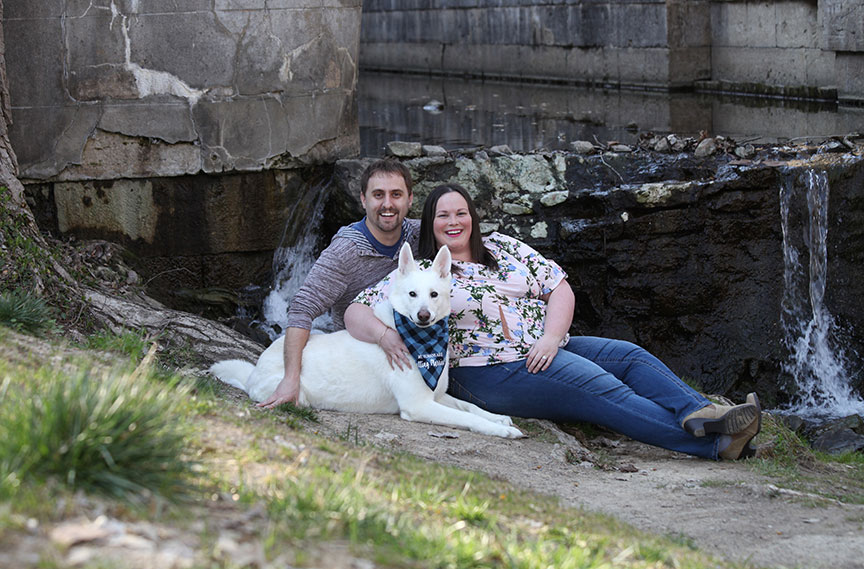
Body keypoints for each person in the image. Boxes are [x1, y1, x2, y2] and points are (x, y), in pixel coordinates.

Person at [344, 183, 762, 460]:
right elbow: (355, 311)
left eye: (461, 213)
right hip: (488, 371)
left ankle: (702, 413)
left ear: (473, 216)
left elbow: (559, 287)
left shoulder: (504, 247)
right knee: (601, 388)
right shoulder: (421, 275)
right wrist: (385, 336)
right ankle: (718, 445)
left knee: (628, 356)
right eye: (442, 216)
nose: (453, 222)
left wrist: (551, 336)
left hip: (544, 347)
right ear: (430, 226)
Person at [258, 159, 420, 408]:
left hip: (415, 352)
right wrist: (291, 379)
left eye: (396, 194)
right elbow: (302, 308)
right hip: (359, 359)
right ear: (363, 200)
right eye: (378, 195)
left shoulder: (419, 236)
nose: (387, 204)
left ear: (410, 199)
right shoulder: (345, 251)